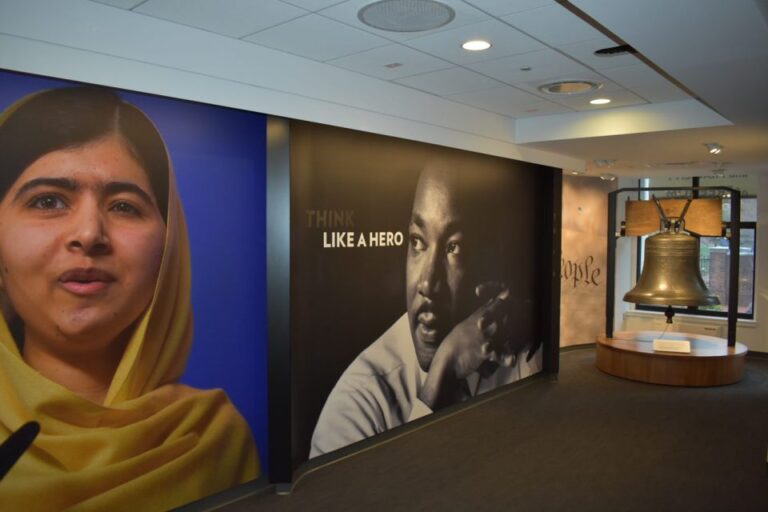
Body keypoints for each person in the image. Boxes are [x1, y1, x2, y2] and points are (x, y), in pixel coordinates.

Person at [0, 86, 259, 510]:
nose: (88, 234)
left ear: (169, 252)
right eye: (48, 201)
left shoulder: (212, 437)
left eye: (123, 206)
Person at [310, 160, 542, 457]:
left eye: (453, 247)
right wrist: (439, 381)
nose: (428, 283)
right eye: (417, 242)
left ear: (486, 260)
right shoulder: (357, 404)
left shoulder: (517, 347)